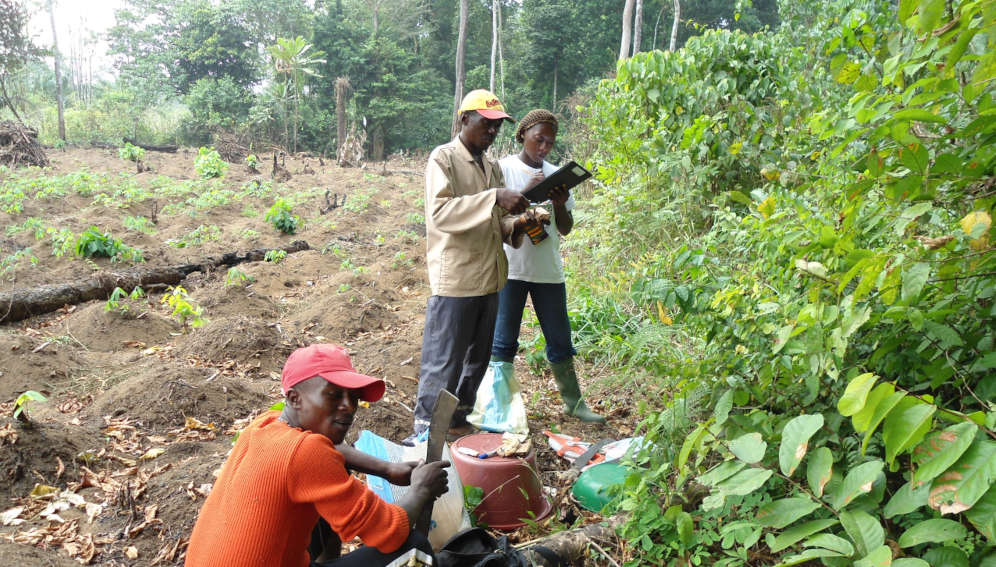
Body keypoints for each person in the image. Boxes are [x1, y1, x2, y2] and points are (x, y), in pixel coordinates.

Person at [186, 343, 450, 567]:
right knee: (414, 547)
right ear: (294, 398)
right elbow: (390, 531)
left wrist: (387, 470)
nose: (348, 407)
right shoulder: (307, 454)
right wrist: (421, 489)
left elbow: (330, 451)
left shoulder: (265, 425)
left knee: (333, 477)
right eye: (334, 395)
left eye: (353, 396)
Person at [407, 89, 533, 445]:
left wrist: (517, 225)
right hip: (457, 279)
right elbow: (440, 214)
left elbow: (495, 222)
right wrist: (494, 197)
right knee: (444, 361)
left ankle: (459, 420)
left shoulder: (490, 166)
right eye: (486, 124)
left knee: (477, 360)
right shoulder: (443, 159)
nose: (492, 132)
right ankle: (426, 431)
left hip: (490, 278)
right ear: (465, 120)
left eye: (497, 127)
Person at [490, 109, 605, 423]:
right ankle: (500, 410)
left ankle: (574, 402)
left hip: (548, 271)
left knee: (560, 338)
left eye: (549, 143)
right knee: (503, 342)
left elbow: (565, 228)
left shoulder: (556, 174)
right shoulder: (502, 170)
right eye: (538, 139)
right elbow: (497, 220)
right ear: (523, 134)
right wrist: (530, 192)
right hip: (511, 268)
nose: (543, 148)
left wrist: (557, 201)